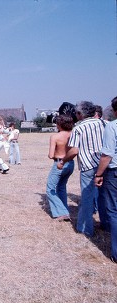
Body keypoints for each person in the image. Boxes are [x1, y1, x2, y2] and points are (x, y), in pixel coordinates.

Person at [58, 101, 108, 237]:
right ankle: (107, 224)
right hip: (106, 165)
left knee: (87, 198)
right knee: (105, 196)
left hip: (88, 166)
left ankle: (85, 228)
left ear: (80, 114)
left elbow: (74, 151)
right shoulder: (105, 124)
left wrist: (63, 160)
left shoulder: (79, 128)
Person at [94, 96, 117, 263]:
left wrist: (99, 174)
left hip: (114, 172)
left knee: (114, 212)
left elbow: (107, 154)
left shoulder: (112, 127)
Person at [46, 115, 75, 221]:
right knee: (61, 187)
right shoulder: (73, 134)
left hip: (59, 164)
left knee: (50, 189)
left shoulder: (55, 137)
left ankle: (62, 212)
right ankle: (63, 209)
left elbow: (50, 155)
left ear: (59, 124)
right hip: (70, 163)